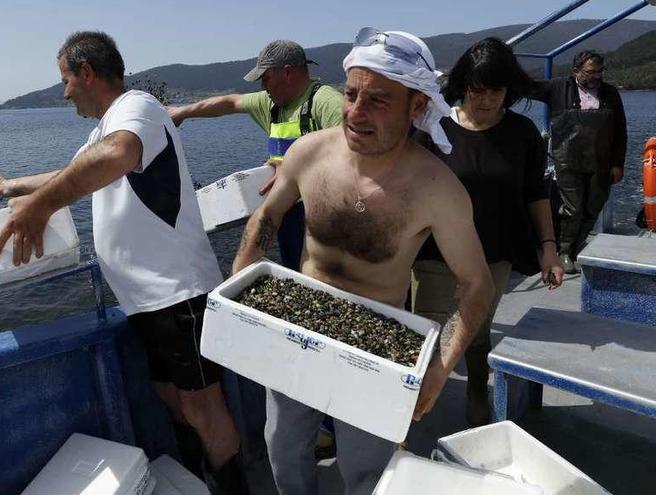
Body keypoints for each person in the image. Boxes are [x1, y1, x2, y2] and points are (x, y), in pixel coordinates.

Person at [0, 31, 247, 494]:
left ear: (88, 74)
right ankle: (198, 483)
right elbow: (71, 171)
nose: (63, 92)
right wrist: (13, 187)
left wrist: (43, 206)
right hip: (145, 302)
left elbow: (117, 155)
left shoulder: (139, 107)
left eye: (65, 80)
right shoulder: (102, 132)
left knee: (203, 407)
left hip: (178, 293)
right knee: (172, 400)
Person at [230, 28, 495, 493]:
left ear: (416, 108)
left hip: (378, 345)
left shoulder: (437, 190)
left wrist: (438, 367)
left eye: (377, 100)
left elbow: (476, 284)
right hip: (297, 322)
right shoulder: (309, 152)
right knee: (283, 447)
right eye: (351, 94)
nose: (355, 112)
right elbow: (267, 216)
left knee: (367, 470)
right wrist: (243, 280)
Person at [411, 37, 564, 427]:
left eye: (497, 91)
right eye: (478, 90)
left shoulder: (523, 133)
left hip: (494, 253)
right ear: (463, 84)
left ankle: (478, 386)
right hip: (434, 252)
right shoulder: (434, 127)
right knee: (426, 332)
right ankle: (408, 408)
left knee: (475, 328)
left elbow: (536, 193)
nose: (488, 100)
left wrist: (549, 247)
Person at [167, 40, 344, 271]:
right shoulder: (272, 104)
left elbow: (359, 159)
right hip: (286, 215)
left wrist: (294, 168)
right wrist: (182, 112)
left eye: (266, 78)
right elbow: (230, 102)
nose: (263, 86)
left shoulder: (326, 102)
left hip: (324, 220)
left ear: (288, 72)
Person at [531, 50, 627, 273]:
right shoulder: (558, 87)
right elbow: (528, 87)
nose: (596, 76)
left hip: (601, 162)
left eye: (599, 72)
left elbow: (621, 131)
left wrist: (617, 163)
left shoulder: (610, 93)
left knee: (593, 207)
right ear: (576, 71)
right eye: (590, 72)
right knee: (573, 209)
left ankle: (576, 247)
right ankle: (564, 251)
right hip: (568, 162)